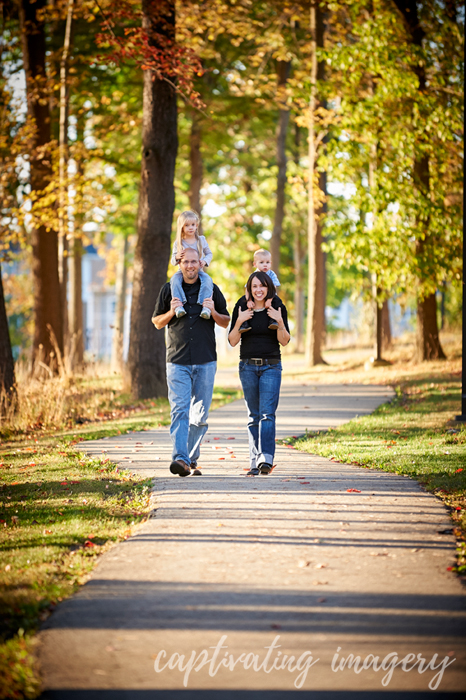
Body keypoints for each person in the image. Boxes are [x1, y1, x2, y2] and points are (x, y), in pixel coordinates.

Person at [152, 249, 230, 477]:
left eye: (194, 261)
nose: (190, 266)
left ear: (200, 263)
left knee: (200, 415)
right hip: (177, 361)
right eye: (186, 262)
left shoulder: (211, 289)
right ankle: (180, 458)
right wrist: (171, 312)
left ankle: (189, 459)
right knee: (179, 410)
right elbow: (157, 322)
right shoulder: (169, 289)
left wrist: (213, 310)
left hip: (205, 361)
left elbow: (226, 322)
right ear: (179, 263)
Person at [228, 270, 290, 476]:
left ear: (268, 287)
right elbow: (232, 340)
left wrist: (279, 321)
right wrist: (239, 320)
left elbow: (285, 340)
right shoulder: (241, 305)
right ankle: (254, 460)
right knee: (253, 416)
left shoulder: (278, 305)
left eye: (262, 286)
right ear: (249, 289)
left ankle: (267, 458)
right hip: (247, 367)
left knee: (267, 414)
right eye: (254, 286)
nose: (258, 290)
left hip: (271, 366)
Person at [170, 210, 214, 319]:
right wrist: (177, 256)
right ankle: (178, 306)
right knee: (174, 280)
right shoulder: (179, 243)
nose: (190, 227)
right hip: (183, 271)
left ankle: (205, 307)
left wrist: (205, 261)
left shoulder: (201, 240)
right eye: (187, 225)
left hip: (198, 270)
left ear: (197, 225)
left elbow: (209, 253)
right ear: (182, 227)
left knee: (208, 280)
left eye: (193, 225)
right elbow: (172, 261)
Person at [239, 249, 281, 333]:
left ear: (271, 263)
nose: (265, 265)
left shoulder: (271, 274)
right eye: (261, 262)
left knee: (276, 303)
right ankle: (245, 323)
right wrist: (249, 300)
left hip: (270, 296)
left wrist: (269, 300)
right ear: (255, 264)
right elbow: (247, 289)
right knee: (244, 304)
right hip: (256, 297)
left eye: (267, 262)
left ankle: (273, 321)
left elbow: (274, 288)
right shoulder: (253, 276)